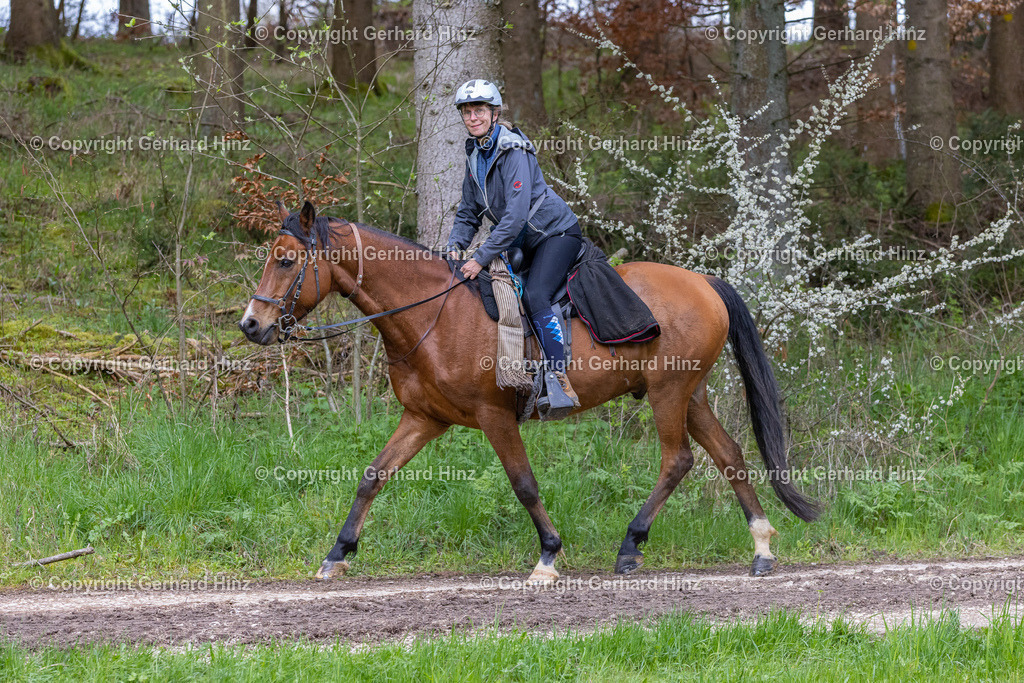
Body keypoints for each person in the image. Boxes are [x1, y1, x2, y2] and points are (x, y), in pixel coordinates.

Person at [445, 79, 582, 413]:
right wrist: (454, 246)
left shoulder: (513, 150)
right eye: (466, 111)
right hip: (520, 240)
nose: (472, 117)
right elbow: (467, 211)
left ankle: (558, 377)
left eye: (478, 110)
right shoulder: (475, 153)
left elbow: (516, 216)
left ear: (494, 113)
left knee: (536, 295)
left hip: (554, 234)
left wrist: (479, 257)